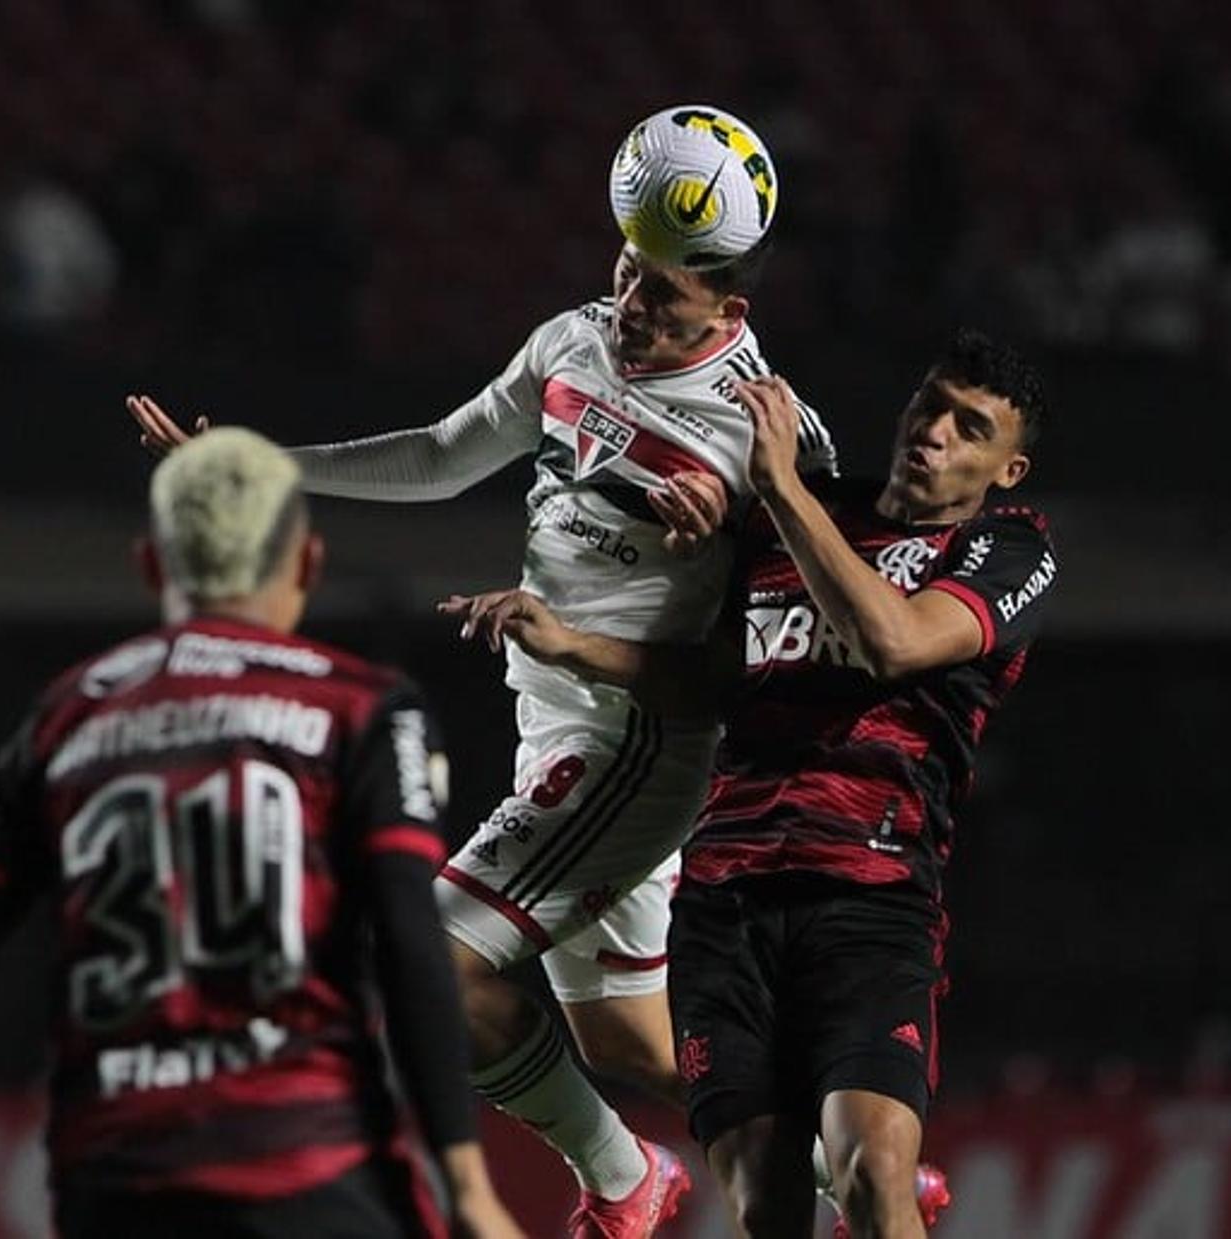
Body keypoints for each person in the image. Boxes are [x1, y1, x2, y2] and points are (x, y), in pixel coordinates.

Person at [127, 104, 835, 1238]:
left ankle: (624, 1182)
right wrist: (255, 464)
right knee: (626, 1040)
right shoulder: (571, 342)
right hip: (551, 721)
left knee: (435, 964)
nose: (631, 305)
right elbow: (446, 454)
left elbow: (813, 628)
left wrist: (750, 538)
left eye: (663, 293)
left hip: (634, 739)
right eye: (625, 271)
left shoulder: (768, 433)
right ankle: (858, 1163)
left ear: (731, 308)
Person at [0, 430, 521, 1239]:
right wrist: (467, 1182)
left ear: (151, 565)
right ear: (308, 563)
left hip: (118, 1181)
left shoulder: (67, 718)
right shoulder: (359, 708)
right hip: (312, 1167)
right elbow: (406, 937)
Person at [451, 330, 1055, 1237]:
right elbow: (707, 679)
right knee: (768, 1207)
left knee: (868, 1175)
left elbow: (894, 641)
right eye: (931, 403)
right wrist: (573, 644)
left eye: (970, 428)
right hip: (723, 903)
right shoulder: (789, 523)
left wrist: (777, 487)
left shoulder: (1006, 550)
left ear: (1006, 469)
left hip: (870, 900)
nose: (934, 431)